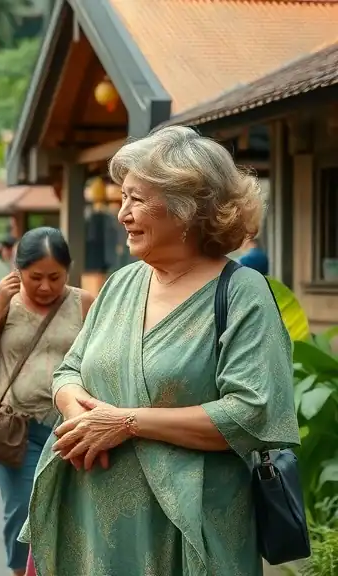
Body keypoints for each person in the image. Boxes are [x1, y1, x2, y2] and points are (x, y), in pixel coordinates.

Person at [23, 126, 300, 575]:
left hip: (188, 528)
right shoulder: (121, 284)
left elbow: (252, 412)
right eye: (122, 198)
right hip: (93, 524)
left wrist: (126, 423)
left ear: (187, 206)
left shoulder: (241, 293)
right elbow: (70, 369)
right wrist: (76, 410)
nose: (122, 214)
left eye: (136, 199)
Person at [0, 227, 94, 576]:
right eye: (36, 277)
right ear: (17, 271)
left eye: (55, 277)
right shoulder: (4, 302)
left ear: (69, 269)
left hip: (68, 427)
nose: (46, 286)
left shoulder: (85, 303)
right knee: (22, 509)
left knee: (66, 509)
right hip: (13, 427)